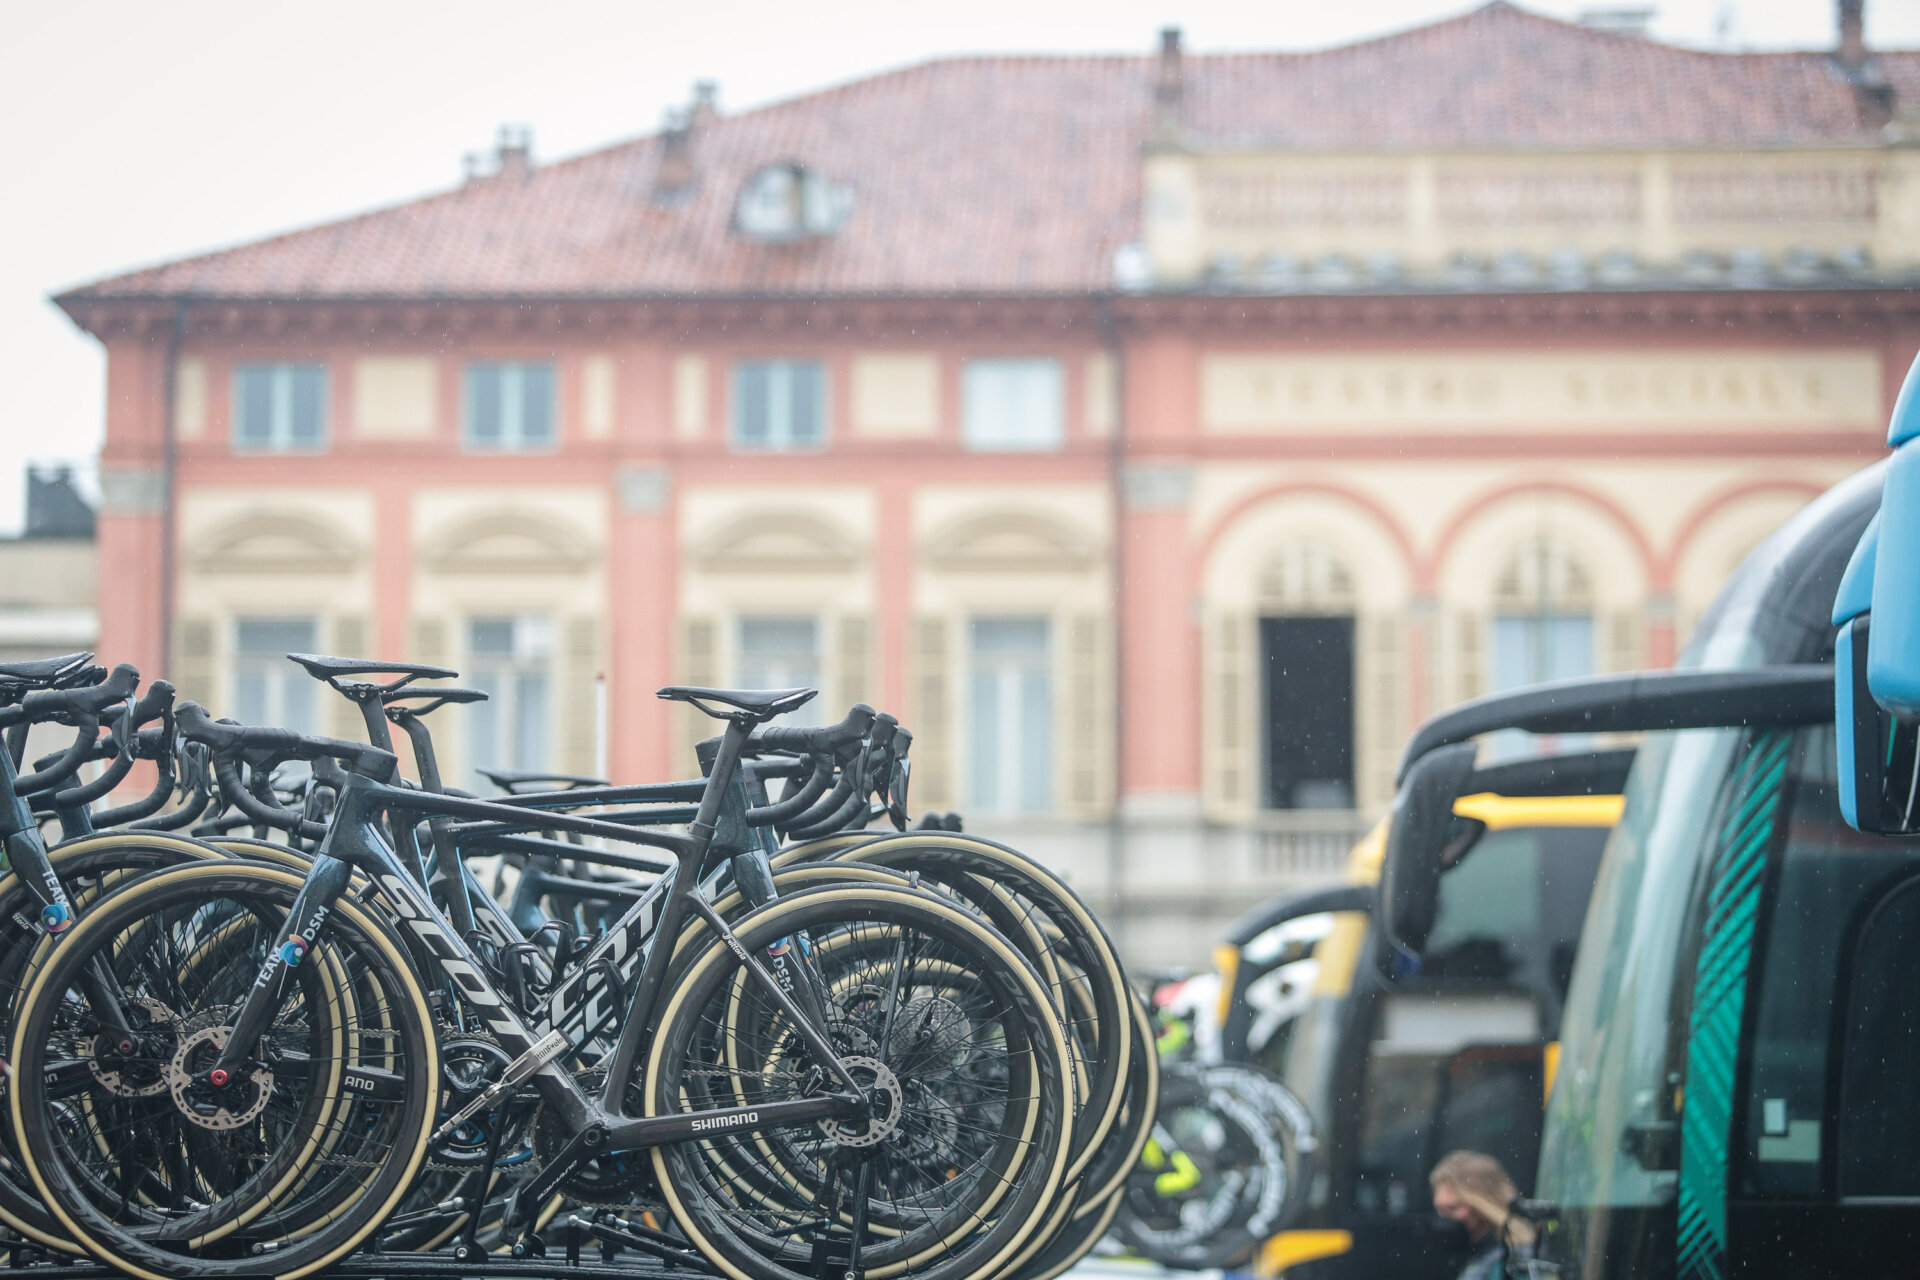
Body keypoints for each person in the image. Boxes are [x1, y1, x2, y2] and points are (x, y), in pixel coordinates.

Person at [1430, 1150, 1535, 1280]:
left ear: (1482, 1206)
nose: (1443, 1218)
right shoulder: (1457, 1258)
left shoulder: (1514, 1263)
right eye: (1439, 1209)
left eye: (1452, 1208)